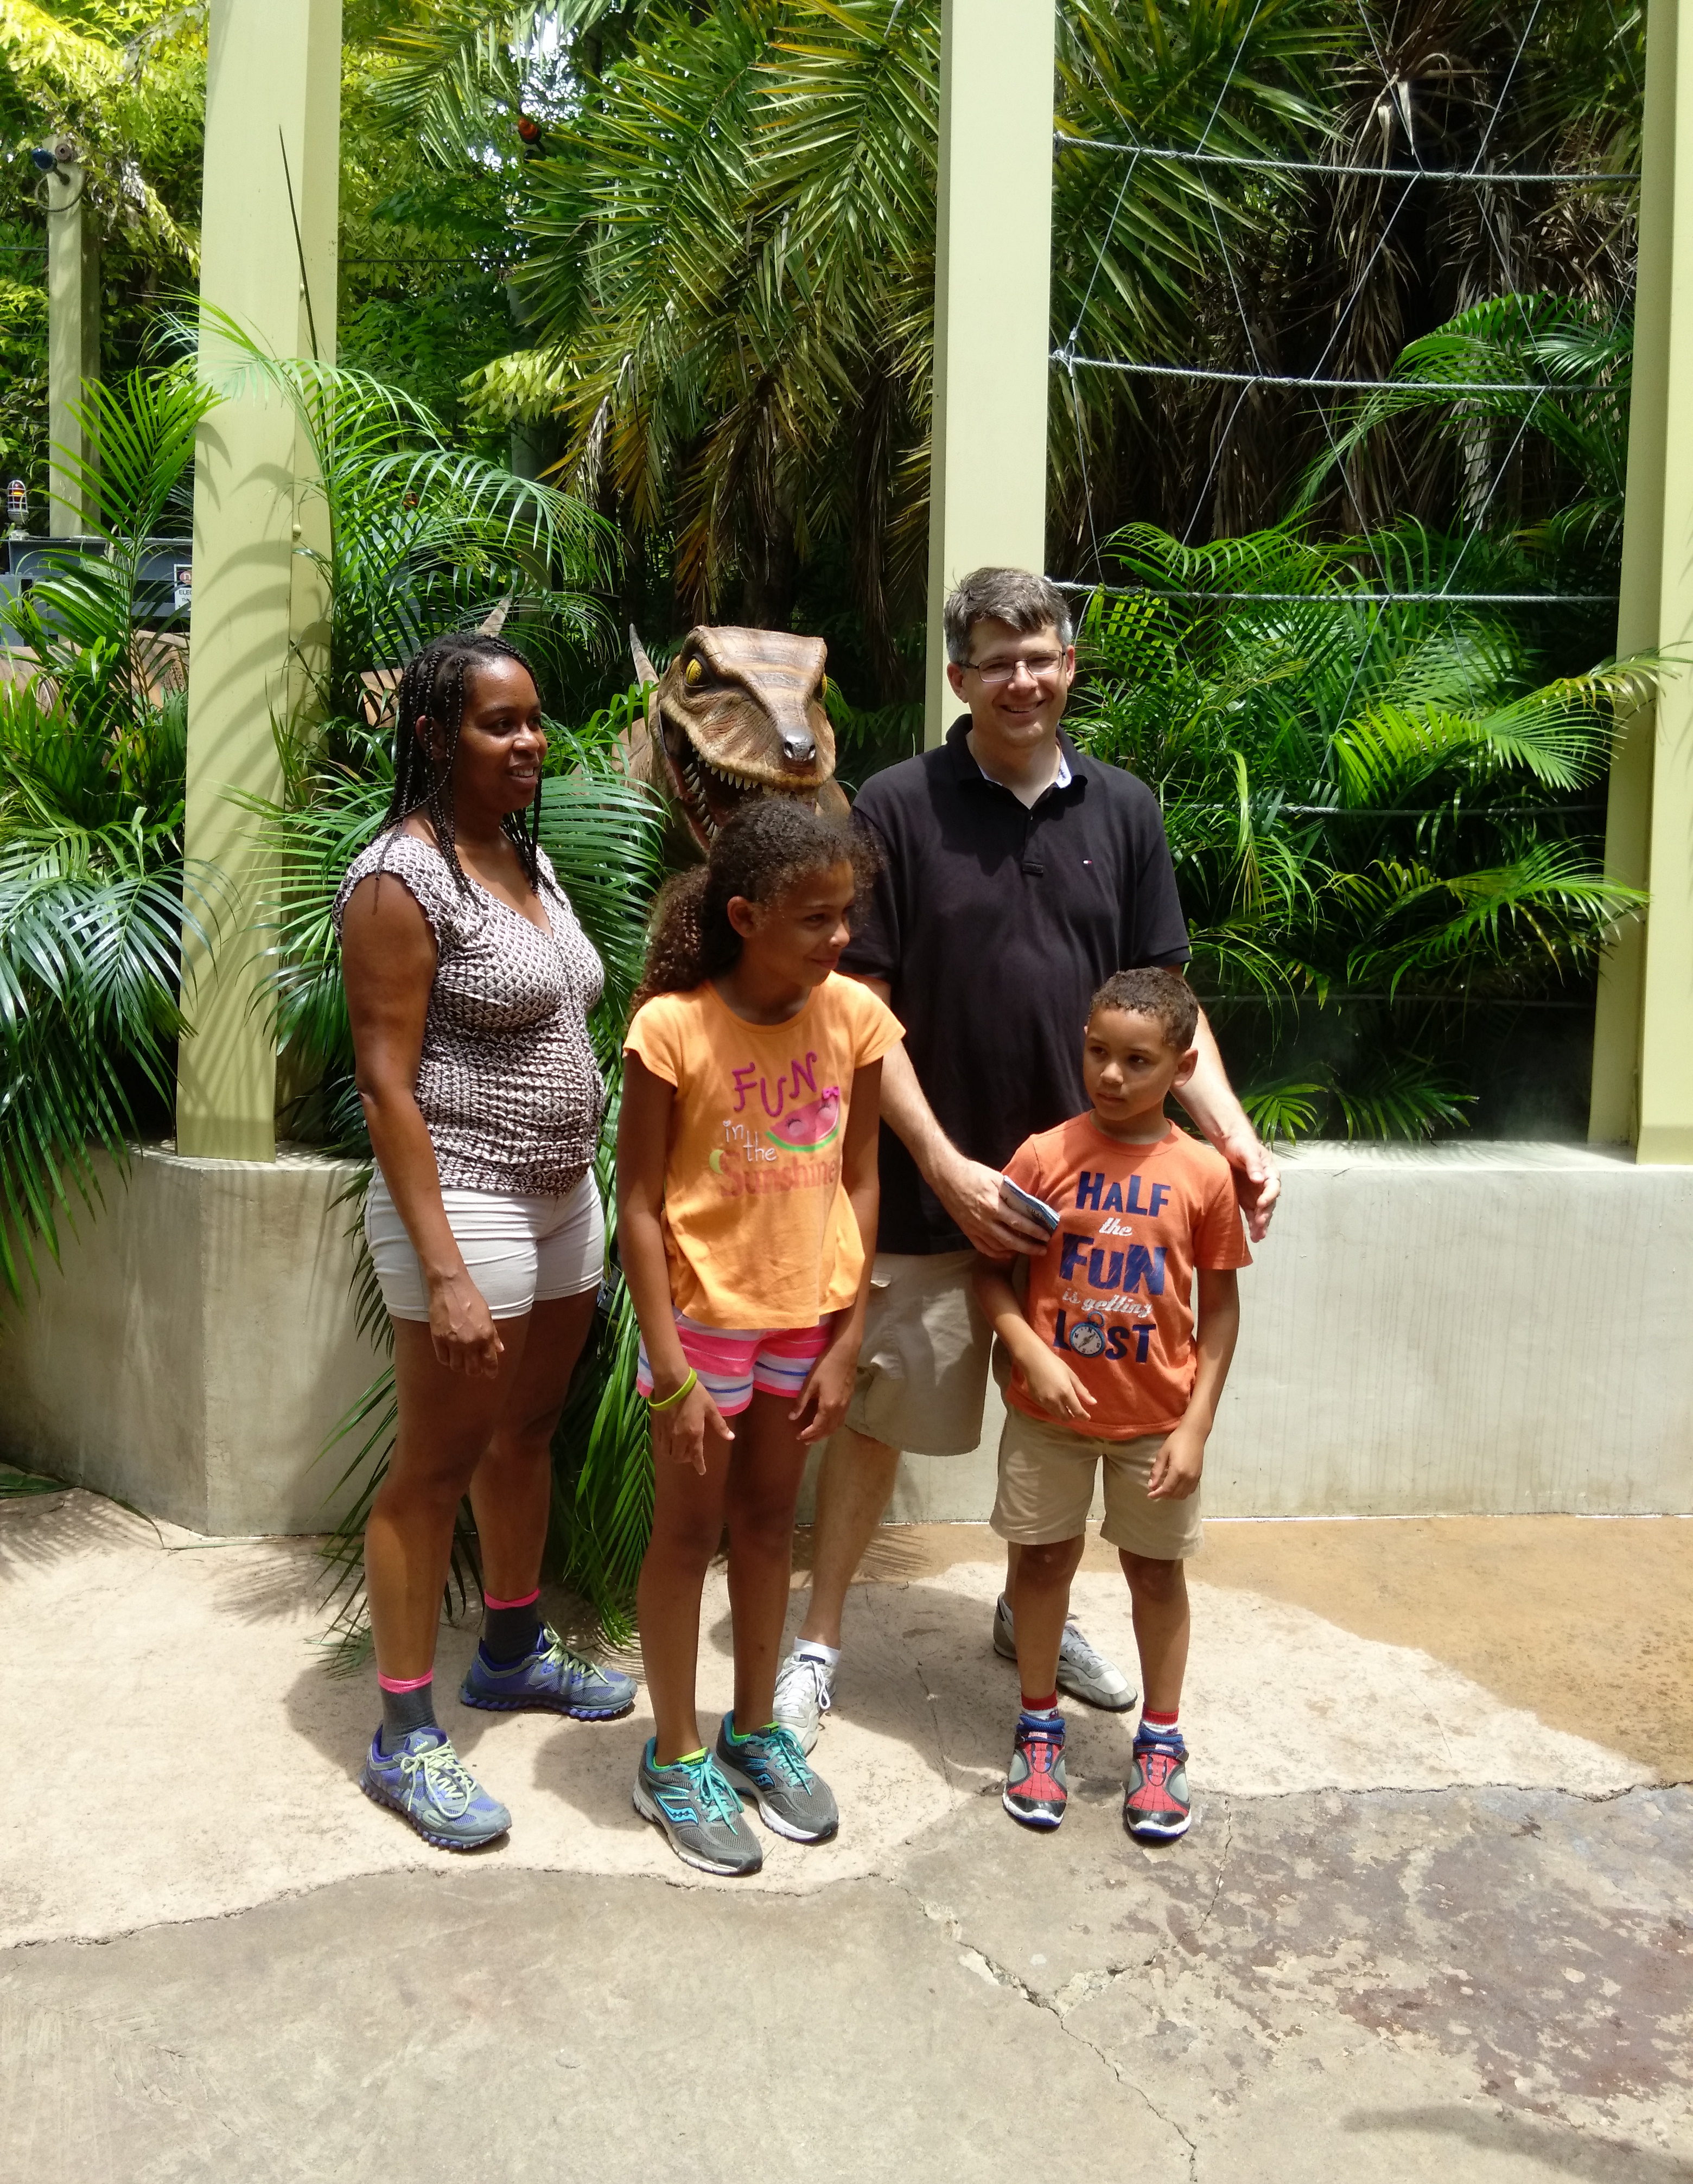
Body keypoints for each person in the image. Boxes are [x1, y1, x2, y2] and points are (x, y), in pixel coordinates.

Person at [773, 566, 1277, 1751]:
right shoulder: (897, 806)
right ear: (959, 677)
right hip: (931, 1194)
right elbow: (858, 1010)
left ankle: (1027, 1610)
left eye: (1041, 655)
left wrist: (1232, 1130)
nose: (1023, 679)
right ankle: (820, 1643)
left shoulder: (1126, 810)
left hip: (1095, 1207)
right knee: (878, 1419)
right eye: (997, 660)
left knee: (1067, 1424)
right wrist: (945, 1165)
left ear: (1070, 664)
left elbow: (1171, 1008)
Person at [334, 630, 635, 1853]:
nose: (529, 743)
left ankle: (509, 1649)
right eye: (498, 723)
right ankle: (404, 1737)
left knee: (527, 1430)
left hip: (562, 1198)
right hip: (466, 1203)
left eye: (534, 720)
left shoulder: (524, 854)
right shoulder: (397, 882)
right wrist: (447, 1271)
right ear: (432, 735)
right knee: (434, 1467)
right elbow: (385, 1086)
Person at [617, 798, 900, 1877]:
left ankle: (749, 1730)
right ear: (744, 916)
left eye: (846, 914)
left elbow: (862, 1180)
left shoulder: (856, 1016)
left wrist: (846, 1337)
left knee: (773, 1523)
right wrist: (671, 1373)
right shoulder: (672, 1028)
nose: (842, 937)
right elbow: (639, 1204)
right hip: (701, 1326)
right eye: (816, 919)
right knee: (689, 1534)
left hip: (805, 1319)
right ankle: (674, 1754)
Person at [976, 966, 1247, 1840]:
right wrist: (1028, 1351)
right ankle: (1038, 1726)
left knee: (1156, 1574)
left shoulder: (1203, 1174)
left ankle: (1161, 1742)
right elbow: (990, 1275)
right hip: (1047, 1420)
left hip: (1154, 1425)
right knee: (1041, 1564)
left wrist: (1196, 1427)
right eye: (1098, 1052)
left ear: (1182, 1066)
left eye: (1137, 1061)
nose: (1111, 1075)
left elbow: (1220, 1310)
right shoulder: (1043, 1157)